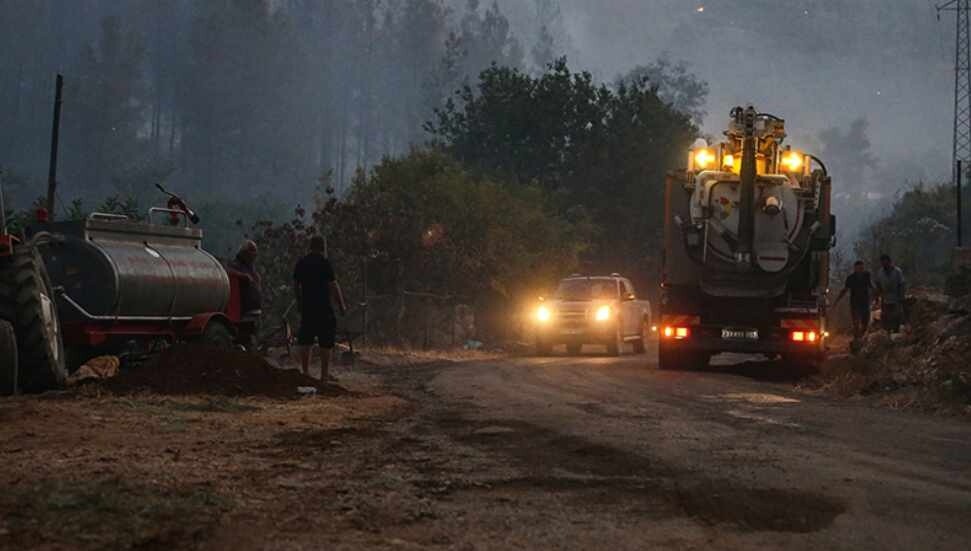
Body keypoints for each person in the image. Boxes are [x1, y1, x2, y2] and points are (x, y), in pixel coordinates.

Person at [293, 235, 346, 381]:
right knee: (326, 341)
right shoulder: (325, 263)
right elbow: (333, 285)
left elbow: (296, 285)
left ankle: (305, 372)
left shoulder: (302, 263)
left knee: (306, 339)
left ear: (310, 246)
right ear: (323, 247)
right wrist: (341, 305)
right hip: (323, 307)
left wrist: (299, 302)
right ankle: (323, 375)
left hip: (307, 307)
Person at [834, 260, 874, 341]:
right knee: (856, 323)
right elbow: (845, 290)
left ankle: (862, 339)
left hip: (865, 303)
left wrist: (876, 295)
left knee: (865, 323)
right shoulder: (851, 278)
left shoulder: (867, 275)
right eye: (859, 268)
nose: (860, 270)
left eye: (862, 268)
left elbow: (870, 286)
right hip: (855, 304)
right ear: (855, 268)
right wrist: (837, 300)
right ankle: (856, 340)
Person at [227, 240, 262, 314]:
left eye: (255, 255)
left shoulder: (251, 267)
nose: (253, 258)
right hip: (242, 309)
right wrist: (242, 276)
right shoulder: (236, 265)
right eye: (251, 254)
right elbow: (228, 272)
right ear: (244, 253)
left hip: (254, 309)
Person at [874, 253, 906, 333]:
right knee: (885, 317)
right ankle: (886, 334)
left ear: (889, 262)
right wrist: (878, 297)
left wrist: (901, 297)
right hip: (885, 299)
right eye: (882, 262)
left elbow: (902, 284)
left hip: (896, 298)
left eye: (886, 262)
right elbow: (878, 284)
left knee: (896, 317)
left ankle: (896, 332)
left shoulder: (897, 271)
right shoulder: (880, 272)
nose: (884, 264)